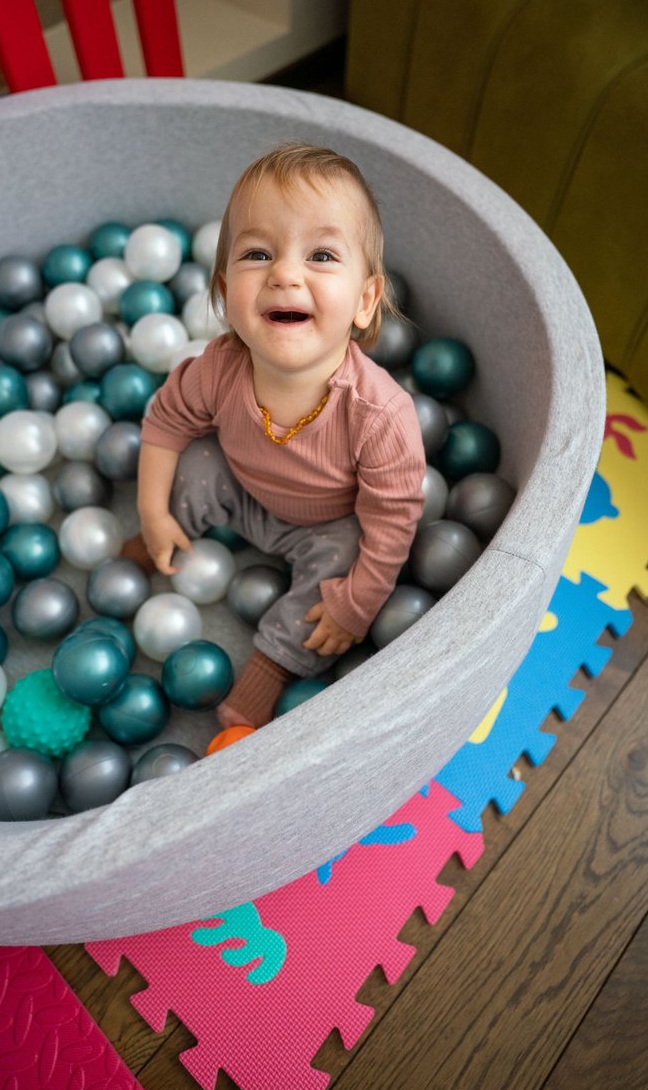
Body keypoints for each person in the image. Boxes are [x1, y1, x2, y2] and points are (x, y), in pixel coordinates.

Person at [123, 142, 425, 729]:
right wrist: (152, 510)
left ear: (365, 301)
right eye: (258, 254)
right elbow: (165, 422)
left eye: (321, 255)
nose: (285, 273)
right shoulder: (217, 368)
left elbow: (392, 522)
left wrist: (356, 607)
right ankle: (155, 540)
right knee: (197, 464)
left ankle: (270, 669)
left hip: (328, 523)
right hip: (243, 488)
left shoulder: (380, 414)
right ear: (223, 291)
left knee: (343, 567)